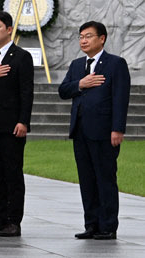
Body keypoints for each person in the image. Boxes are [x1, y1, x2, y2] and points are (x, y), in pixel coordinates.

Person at [58, 21, 130, 240]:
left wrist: (117, 129)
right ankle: (91, 225)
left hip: (104, 131)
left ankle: (108, 226)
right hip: (80, 131)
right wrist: (82, 83)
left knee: (105, 178)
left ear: (102, 39)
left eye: (88, 36)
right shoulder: (77, 65)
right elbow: (63, 90)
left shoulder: (115, 64)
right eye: (81, 36)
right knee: (87, 180)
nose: (83, 40)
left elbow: (120, 98)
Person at [0, 11, 34, 237]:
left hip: (11, 126)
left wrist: (23, 121)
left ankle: (13, 221)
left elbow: (26, 91)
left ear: (9, 29)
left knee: (12, 174)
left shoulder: (21, 56)